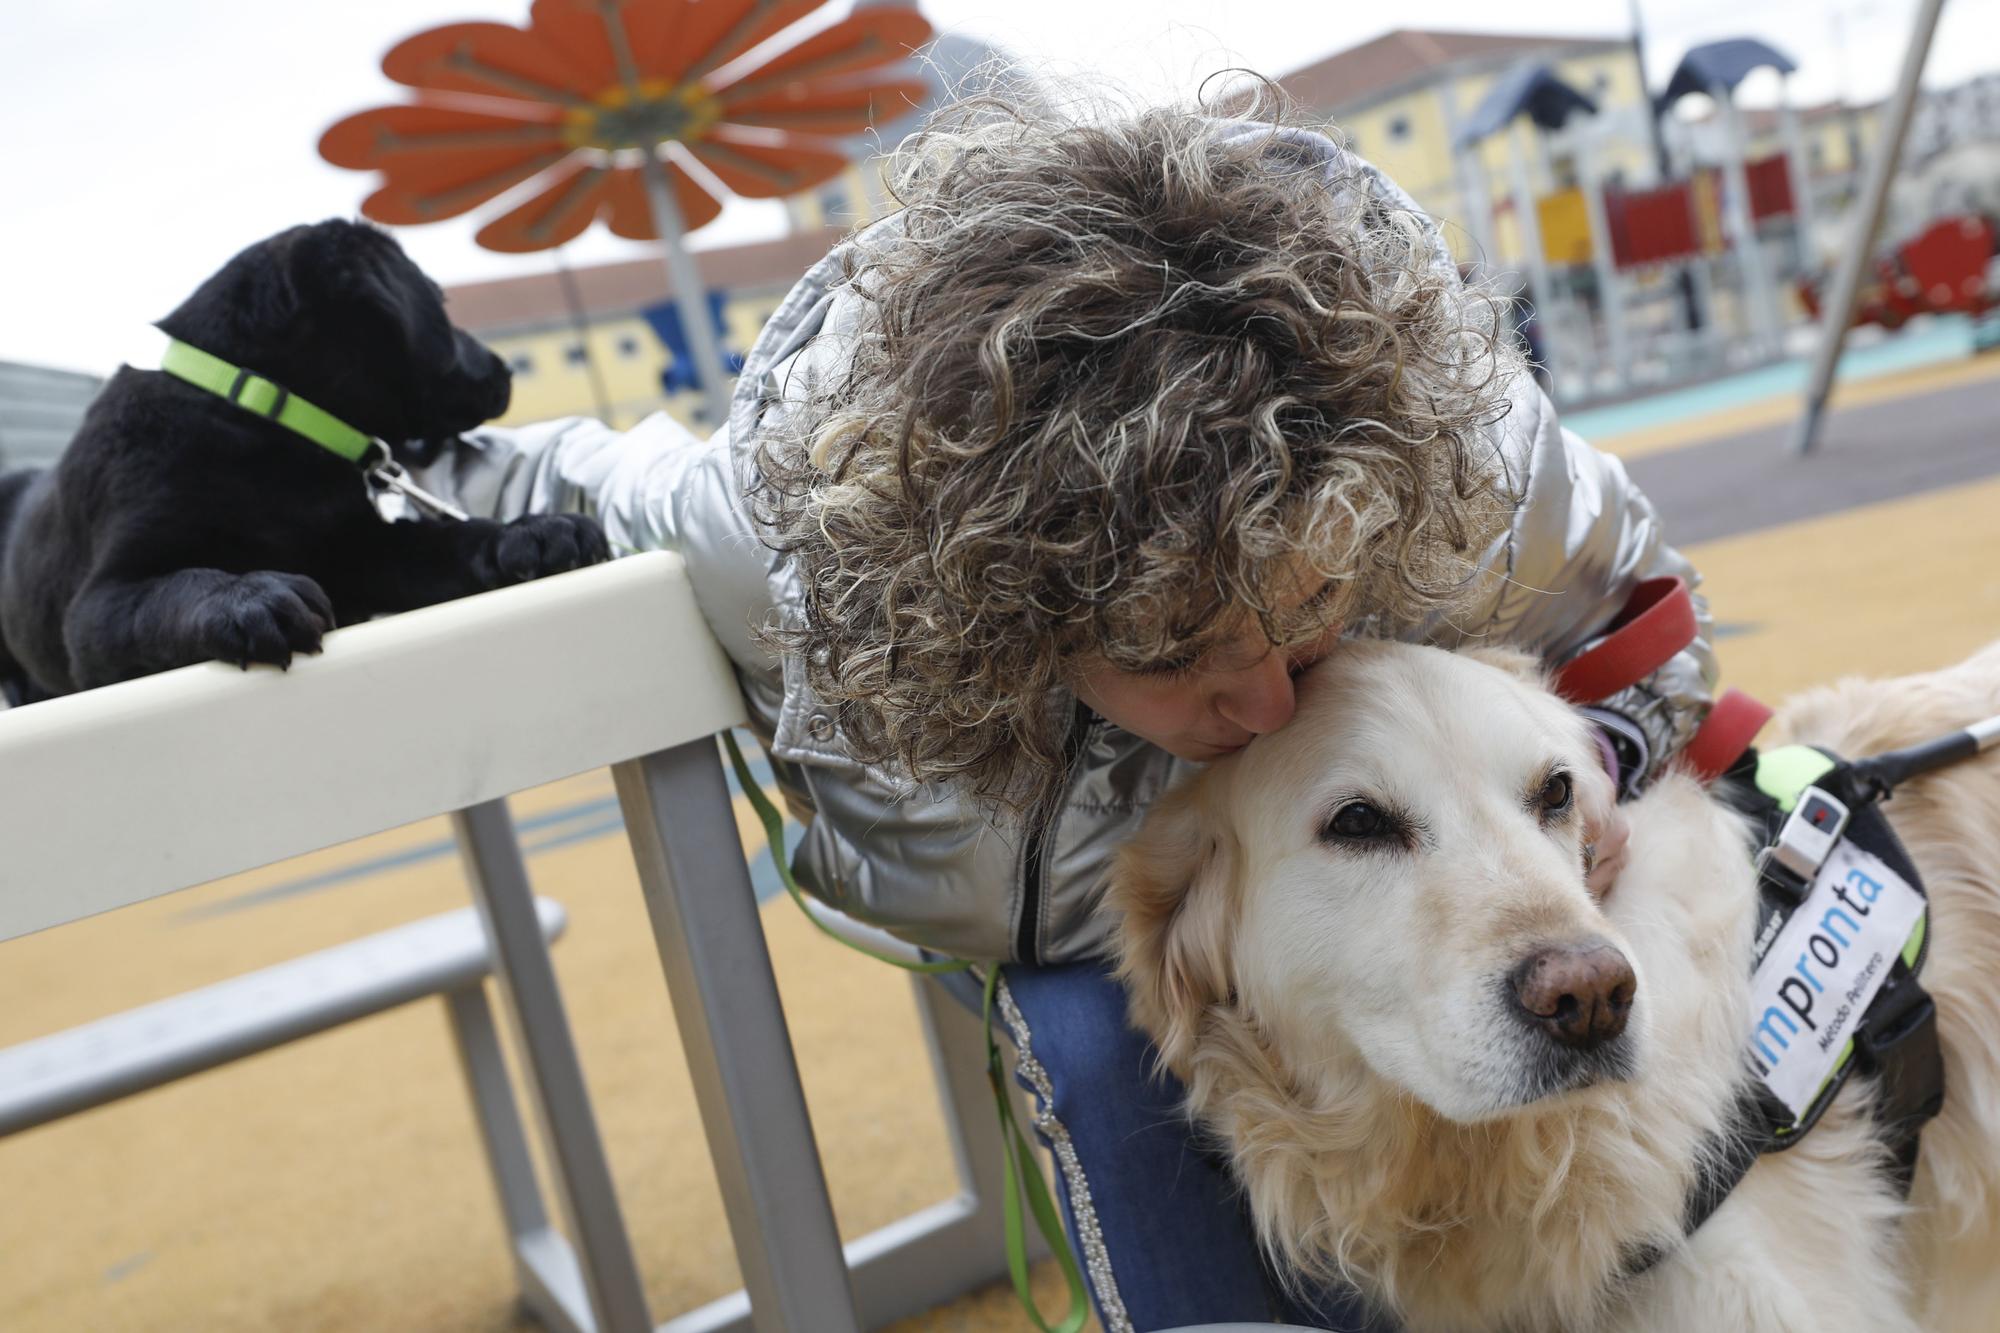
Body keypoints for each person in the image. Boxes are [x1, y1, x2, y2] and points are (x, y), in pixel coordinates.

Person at [417, 94, 1713, 1331]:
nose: (1266, 698)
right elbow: (563, 474)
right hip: (1097, 920)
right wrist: (323, 440)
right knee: (1101, 1047)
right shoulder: (788, 549)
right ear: (1015, 621)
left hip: (1409, 861)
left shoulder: (1456, 451)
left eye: (1307, 604)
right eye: (1184, 651)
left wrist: (1586, 774)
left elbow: (1643, 617)